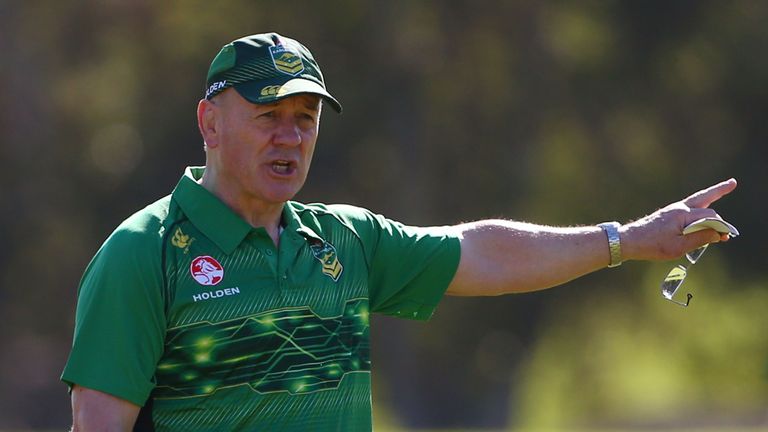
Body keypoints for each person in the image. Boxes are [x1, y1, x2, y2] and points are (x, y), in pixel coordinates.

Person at [61, 33, 737, 431]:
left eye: (306, 118)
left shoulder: (343, 242)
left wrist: (628, 239)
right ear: (210, 123)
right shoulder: (144, 253)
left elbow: (483, 252)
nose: (291, 137)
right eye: (269, 116)